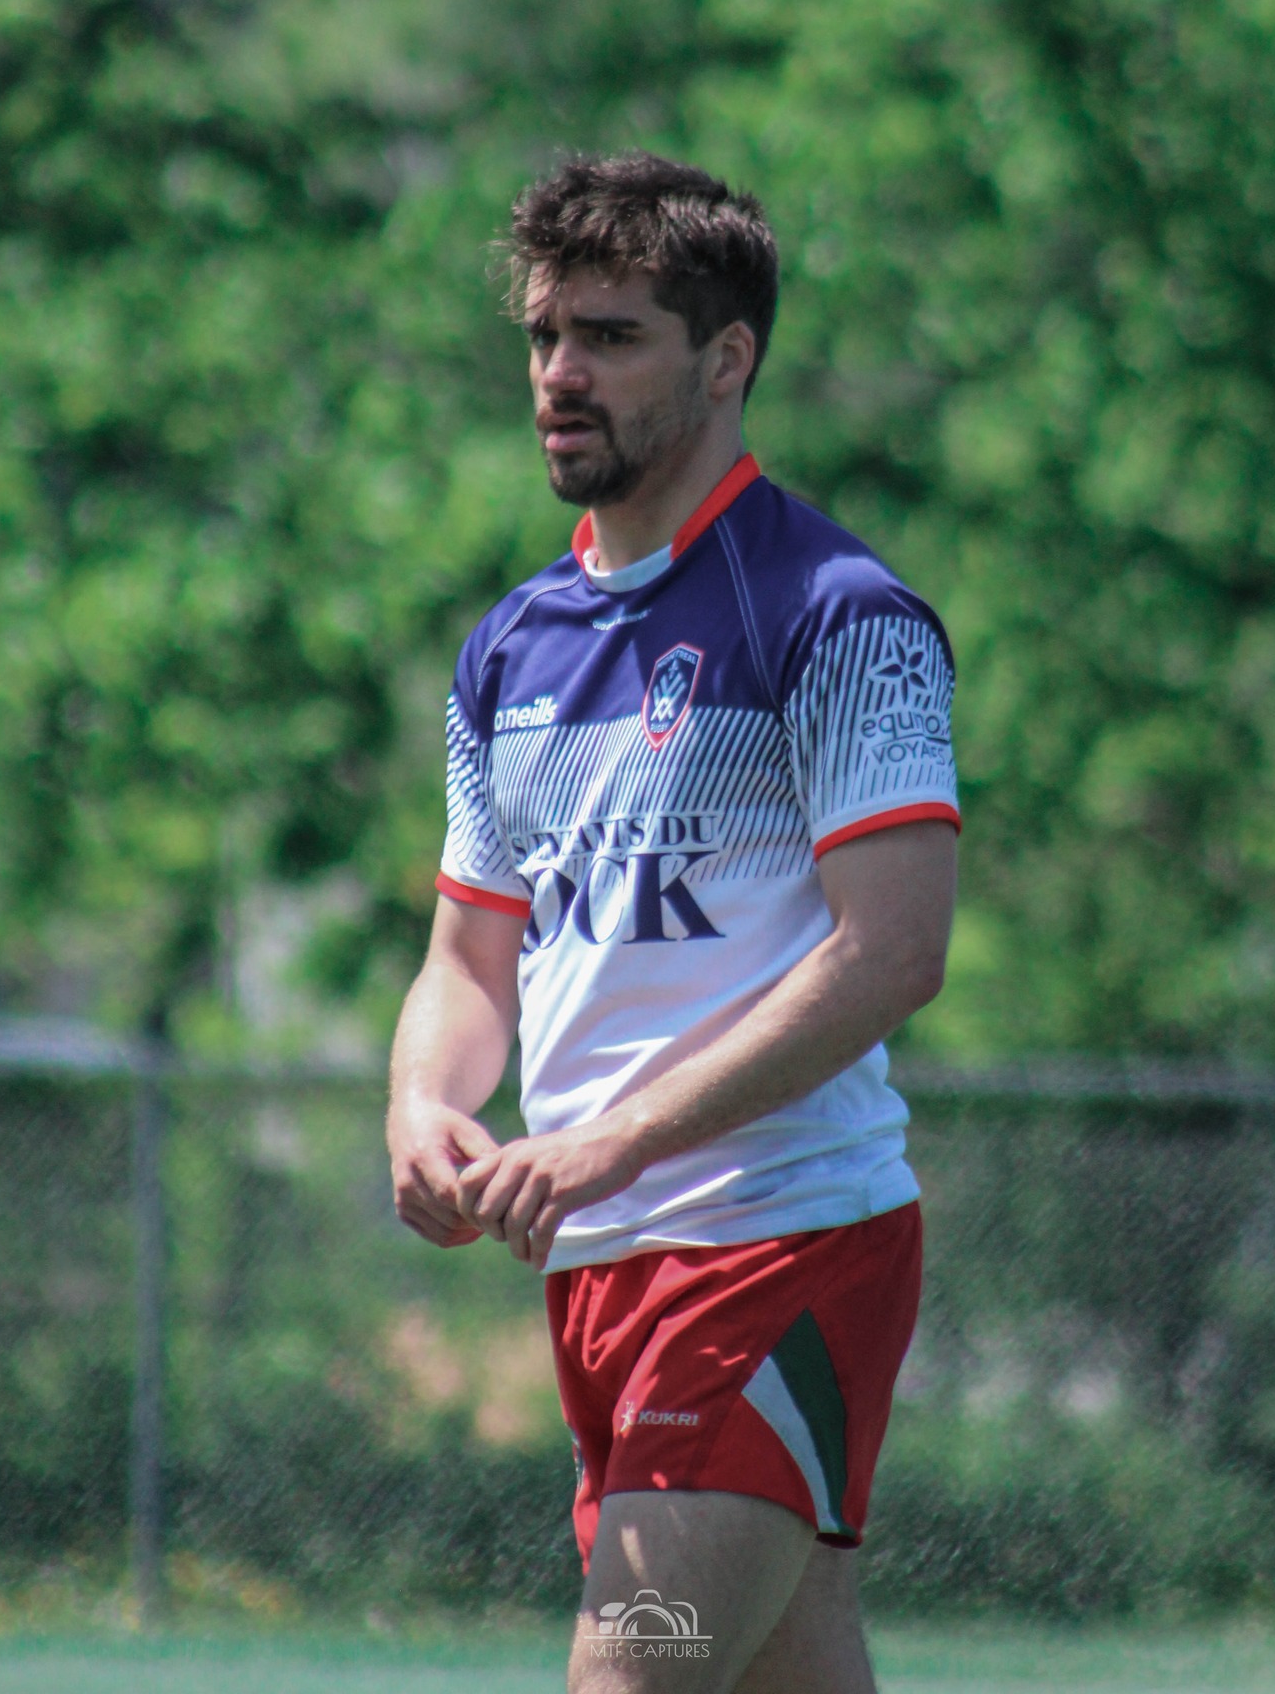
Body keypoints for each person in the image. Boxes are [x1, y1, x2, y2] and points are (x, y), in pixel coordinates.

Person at [386, 152, 958, 1694]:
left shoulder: (837, 612)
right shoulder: (511, 648)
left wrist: (611, 1142)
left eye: (610, 336)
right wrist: (423, 1105)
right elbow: (469, 958)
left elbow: (893, 951)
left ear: (725, 359)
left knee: (627, 1679)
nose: (558, 375)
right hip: (597, 1264)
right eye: (542, 335)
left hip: (773, 1242)